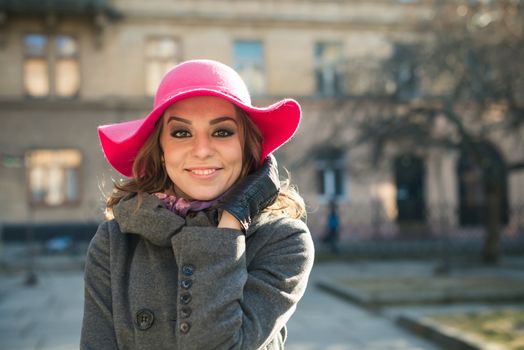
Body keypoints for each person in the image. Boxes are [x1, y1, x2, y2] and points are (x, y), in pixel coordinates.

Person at [81, 59, 314, 350]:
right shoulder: (114, 242)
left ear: (245, 145)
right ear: (161, 150)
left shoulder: (283, 240)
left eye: (222, 132)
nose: (202, 150)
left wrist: (230, 223)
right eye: (181, 133)